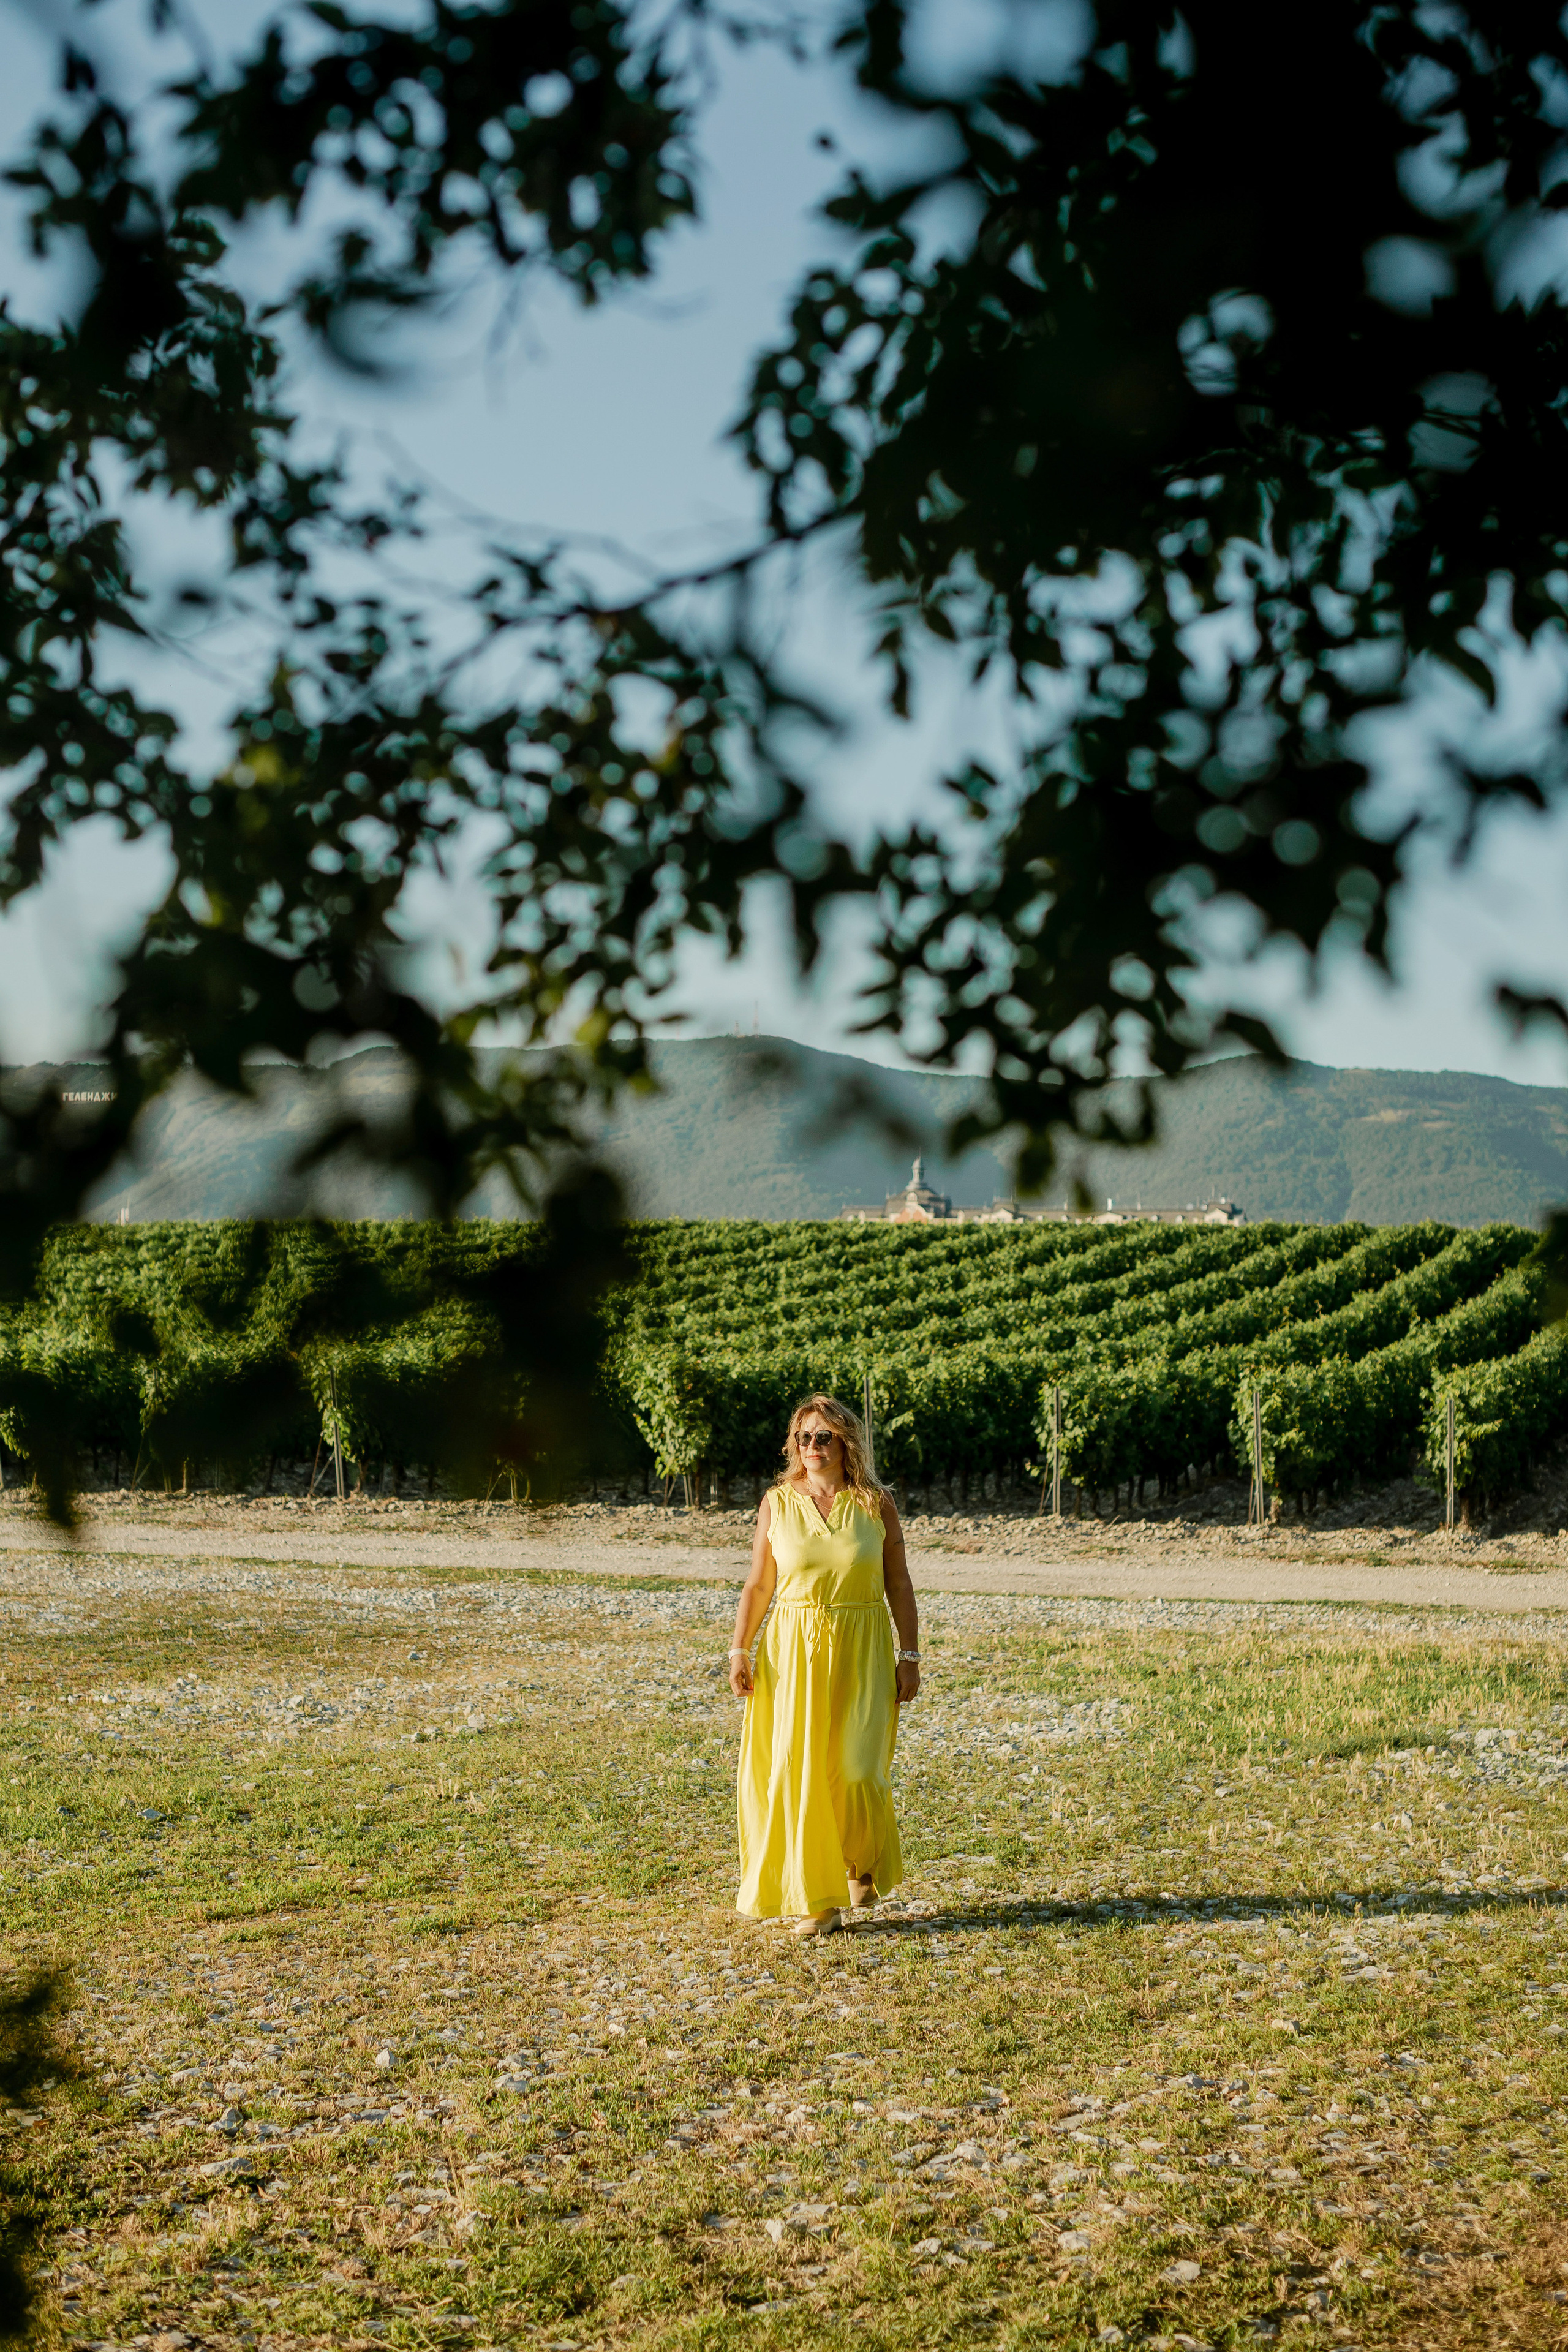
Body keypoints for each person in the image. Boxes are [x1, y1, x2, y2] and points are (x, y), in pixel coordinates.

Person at [728, 1393, 920, 1936]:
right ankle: (820, 1899)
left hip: (864, 1644)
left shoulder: (876, 1503)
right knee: (801, 1771)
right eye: (803, 1437)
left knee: (859, 1769)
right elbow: (760, 1582)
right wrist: (739, 1649)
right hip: (791, 1647)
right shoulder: (777, 1502)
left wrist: (910, 1655)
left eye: (823, 1437)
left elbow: (899, 1583)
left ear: (846, 1443)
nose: (812, 1447)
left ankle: (864, 1859)